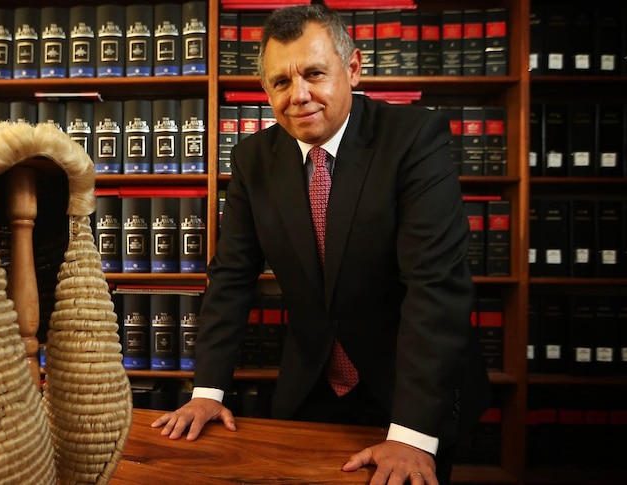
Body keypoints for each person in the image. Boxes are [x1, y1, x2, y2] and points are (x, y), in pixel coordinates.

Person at [151, 4, 491, 485]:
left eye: (314, 74)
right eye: (281, 83)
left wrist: (412, 434)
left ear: (353, 68)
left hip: (413, 386)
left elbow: (435, 287)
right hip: (312, 382)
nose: (299, 96)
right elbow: (230, 277)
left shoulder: (414, 138)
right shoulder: (253, 157)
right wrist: (208, 390)